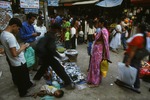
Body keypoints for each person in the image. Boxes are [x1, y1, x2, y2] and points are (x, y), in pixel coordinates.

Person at [33, 23, 75, 90]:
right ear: (56, 29)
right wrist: (59, 56)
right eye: (58, 30)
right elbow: (51, 49)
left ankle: (36, 78)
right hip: (48, 55)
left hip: (43, 55)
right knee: (59, 69)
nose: (58, 32)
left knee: (44, 66)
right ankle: (68, 83)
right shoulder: (51, 36)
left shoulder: (48, 33)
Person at [0, 18, 34, 97]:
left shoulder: (3, 34)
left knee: (24, 75)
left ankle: (28, 85)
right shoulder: (10, 37)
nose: (18, 31)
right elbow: (14, 54)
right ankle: (23, 93)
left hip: (15, 62)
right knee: (22, 78)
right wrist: (23, 47)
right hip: (18, 62)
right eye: (18, 28)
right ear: (14, 26)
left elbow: (7, 48)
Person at [123, 23, 150, 92]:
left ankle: (133, 85)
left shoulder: (138, 37)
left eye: (138, 27)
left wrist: (129, 60)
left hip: (133, 56)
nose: (136, 28)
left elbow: (133, 50)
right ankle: (135, 85)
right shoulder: (145, 36)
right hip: (138, 57)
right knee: (136, 70)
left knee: (132, 70)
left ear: (139, 28)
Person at [87, 18, 110, 88]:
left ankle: (96, 82)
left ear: (102, 23)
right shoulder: (101, 30)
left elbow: (106, 43)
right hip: (96, 50)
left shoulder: (104, 31)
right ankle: (91, 80)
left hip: (99, 51)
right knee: (93, 65)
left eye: (99, 22)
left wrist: (105, 54)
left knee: (96, 66)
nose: (98, 24)